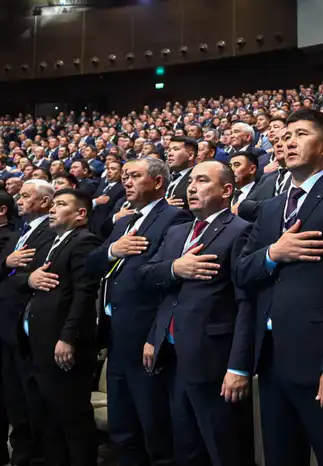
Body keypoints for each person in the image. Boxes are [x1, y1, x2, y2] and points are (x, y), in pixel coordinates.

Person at [234, 109, 323, 466]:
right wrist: (273, 254)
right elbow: (241, 272)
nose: (288, 142)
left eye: (300, 134)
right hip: (271, 359)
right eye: (285, 137)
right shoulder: (270, 208)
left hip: (320, 360)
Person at [137, 161, 255, 466]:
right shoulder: (177, 232)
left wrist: (239, 366)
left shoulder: (240, 231)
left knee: (224, 450)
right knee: (186, 448)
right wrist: (175, 269)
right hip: (172, 356)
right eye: (190, 181)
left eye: (202, 181)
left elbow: (245, 303)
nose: (191, 188)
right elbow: (147, 276)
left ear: (226, 190)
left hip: (214, 361)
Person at [85, 158, 191, 466]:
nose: (126, 182)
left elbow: (166, 280)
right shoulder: (124, 222)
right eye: (124, 176)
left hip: (147, 337)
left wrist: (155, 336)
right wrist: (112, 250)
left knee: (155, 427)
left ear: (158, 182)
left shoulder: (175, 217)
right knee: (123, 428)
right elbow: (91, 264)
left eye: (134, 176)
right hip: (116, 337)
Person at [24, 188, 101, 466]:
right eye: (52, 204)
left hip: (63, 344)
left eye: (60, 204)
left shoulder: (84, 241)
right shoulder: (53, 243)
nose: (52, 209)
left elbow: (84, 293)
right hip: (42, 342)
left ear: (80, 214)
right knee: (50, 419)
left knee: (72, 419)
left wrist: (68, 337)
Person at [0, 179, 56, 466]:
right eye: (19, 196)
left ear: (45, 202)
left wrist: (11, 273)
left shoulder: (50, 232)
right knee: (13, 396)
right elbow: (7, 266)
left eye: (25, 196)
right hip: (6, 325)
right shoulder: (20, 232)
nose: (18, 200)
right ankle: (21, 452)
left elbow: (37, 275)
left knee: (31, 398)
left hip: (28, 327)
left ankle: (35, 455)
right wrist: (6, 264)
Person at [89, 159, 125, 238]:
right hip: (91, 226)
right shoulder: (102, 184)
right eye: (108, 168)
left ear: (121, 172)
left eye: (113, 169)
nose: (109, 171)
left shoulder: (122, 189)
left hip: (103, 231)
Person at [166, 136, 197, 210]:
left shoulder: (196, 178)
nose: (170, 154)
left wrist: (163, 206)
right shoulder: (167, 177)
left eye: (176, 149)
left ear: (190, 155)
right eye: (169, 150)